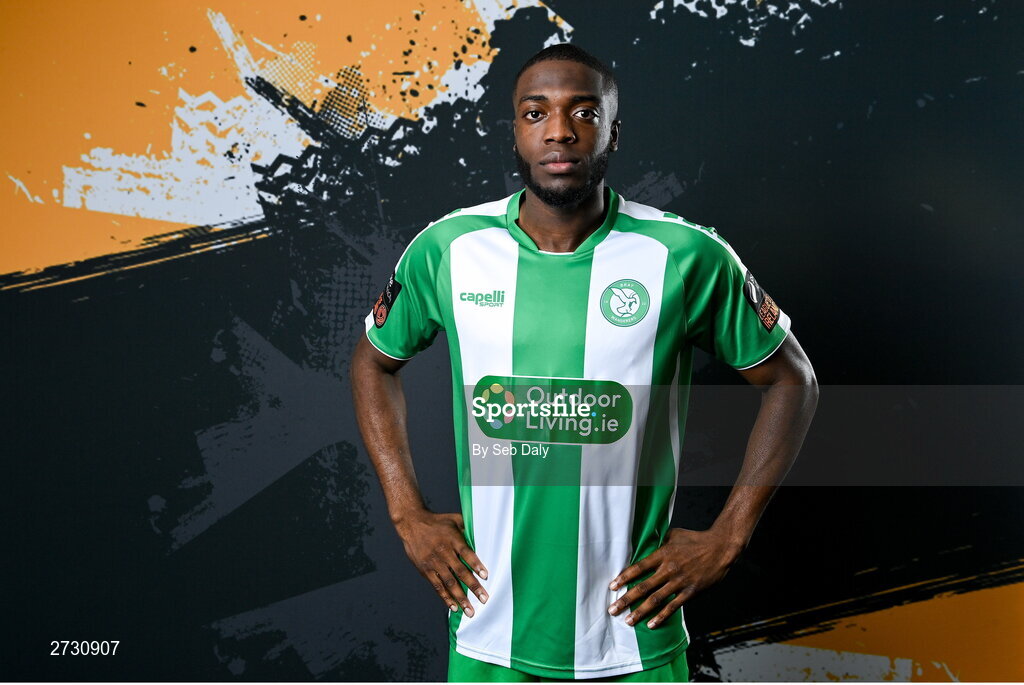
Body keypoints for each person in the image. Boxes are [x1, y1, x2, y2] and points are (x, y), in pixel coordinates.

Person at [350, 43, 818, 682]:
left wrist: (728, 536)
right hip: (489, 632)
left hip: (633, 637)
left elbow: (793, 381)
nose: (560, 131)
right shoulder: (449, 249)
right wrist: (407, 513)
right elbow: (373, 364)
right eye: (535, 113)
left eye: (584, 112)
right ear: (514, 130)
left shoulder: (684, 254)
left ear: (612, 131)